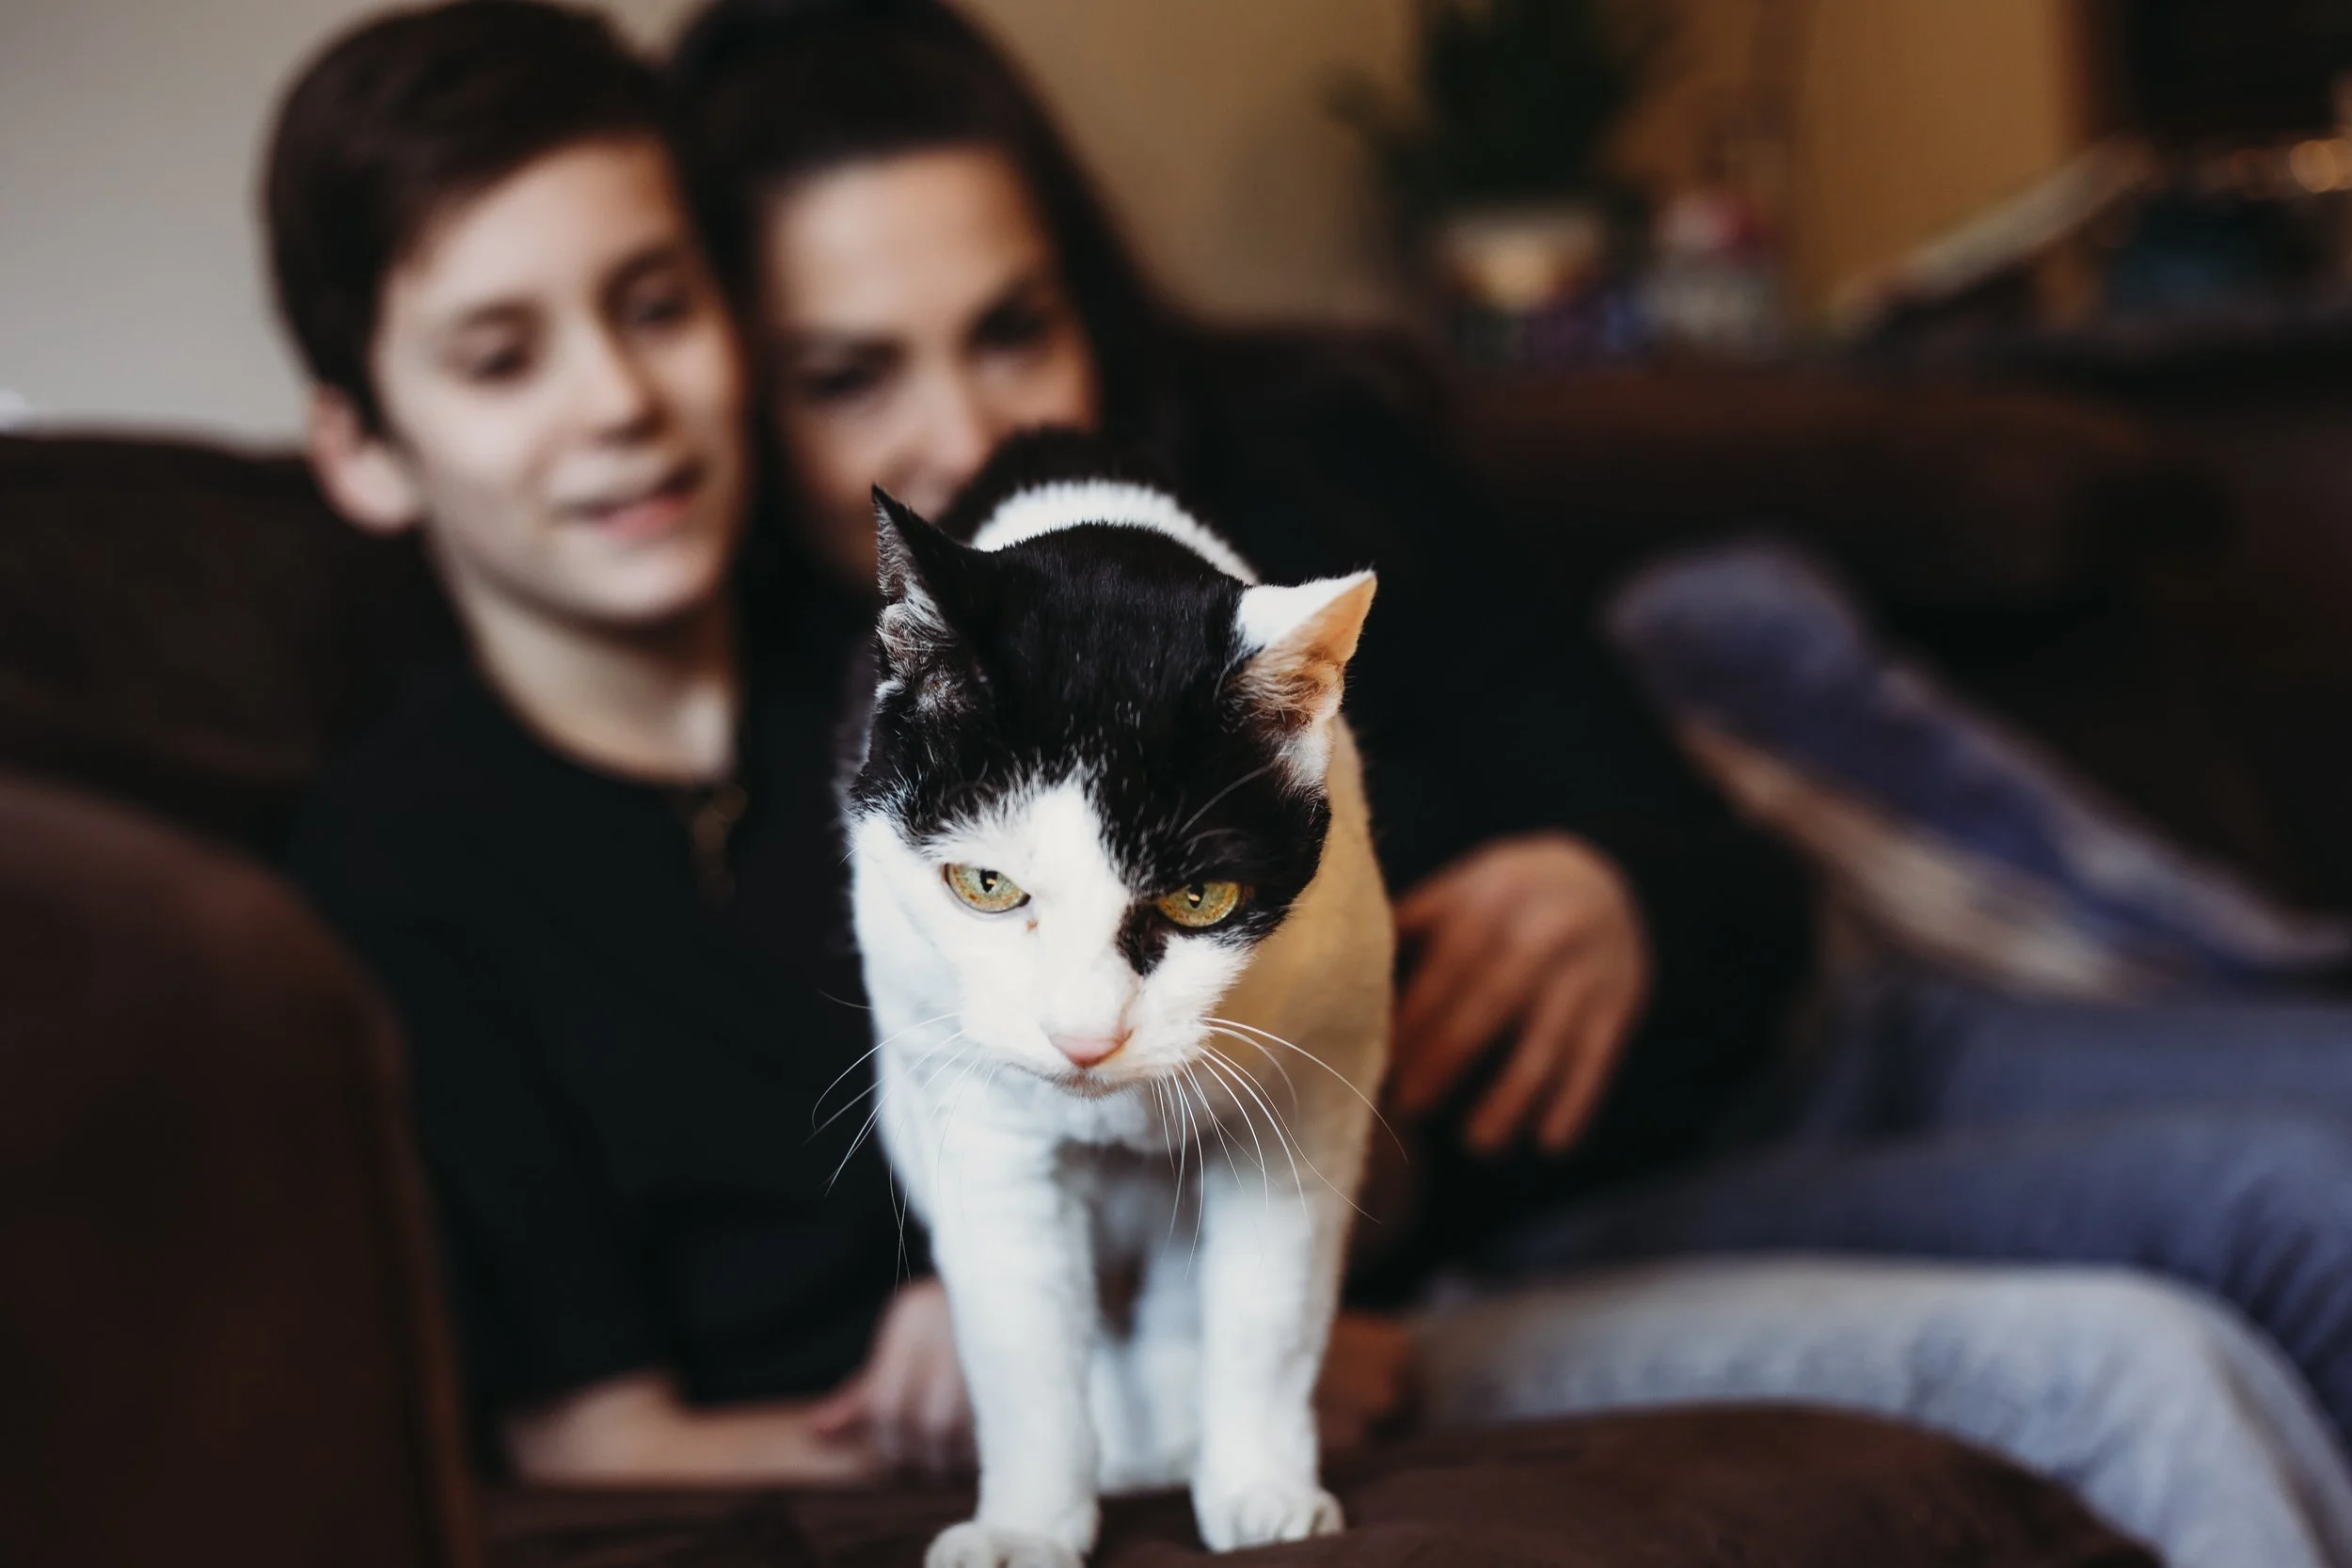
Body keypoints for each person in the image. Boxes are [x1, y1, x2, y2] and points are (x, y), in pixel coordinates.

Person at [262, 5, 2352, 1564]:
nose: (970, 419)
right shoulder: (866, 724)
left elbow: (1700, 868)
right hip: (1525, 1217)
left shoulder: (1270, 498)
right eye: (851, 371)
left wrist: (1608, 883)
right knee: (2248, 1244)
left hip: (1784, 1031)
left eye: (1013, 323)